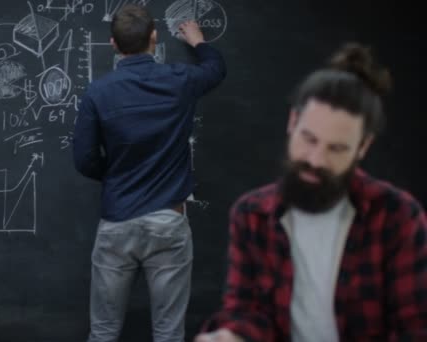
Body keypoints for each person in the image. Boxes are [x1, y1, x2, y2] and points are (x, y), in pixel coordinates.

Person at [195, 43, 427, 342]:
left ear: (363, 147)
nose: (316, 160)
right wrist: (232, 337)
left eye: (337, 148)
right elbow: (248, 312)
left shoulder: (398, 218)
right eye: (309, 139)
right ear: (293, 122)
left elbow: (416, 329)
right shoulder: (251, 214)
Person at [73, 4, 226, 341]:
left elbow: (84, 159)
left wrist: (114, 176)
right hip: (168, 223)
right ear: (155, 37)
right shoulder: (180, 80)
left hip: (117, 222)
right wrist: (199, 42)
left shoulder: (98, 93)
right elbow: (215, 69)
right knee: (169, 333)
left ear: (113, 44)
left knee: (103, 331)